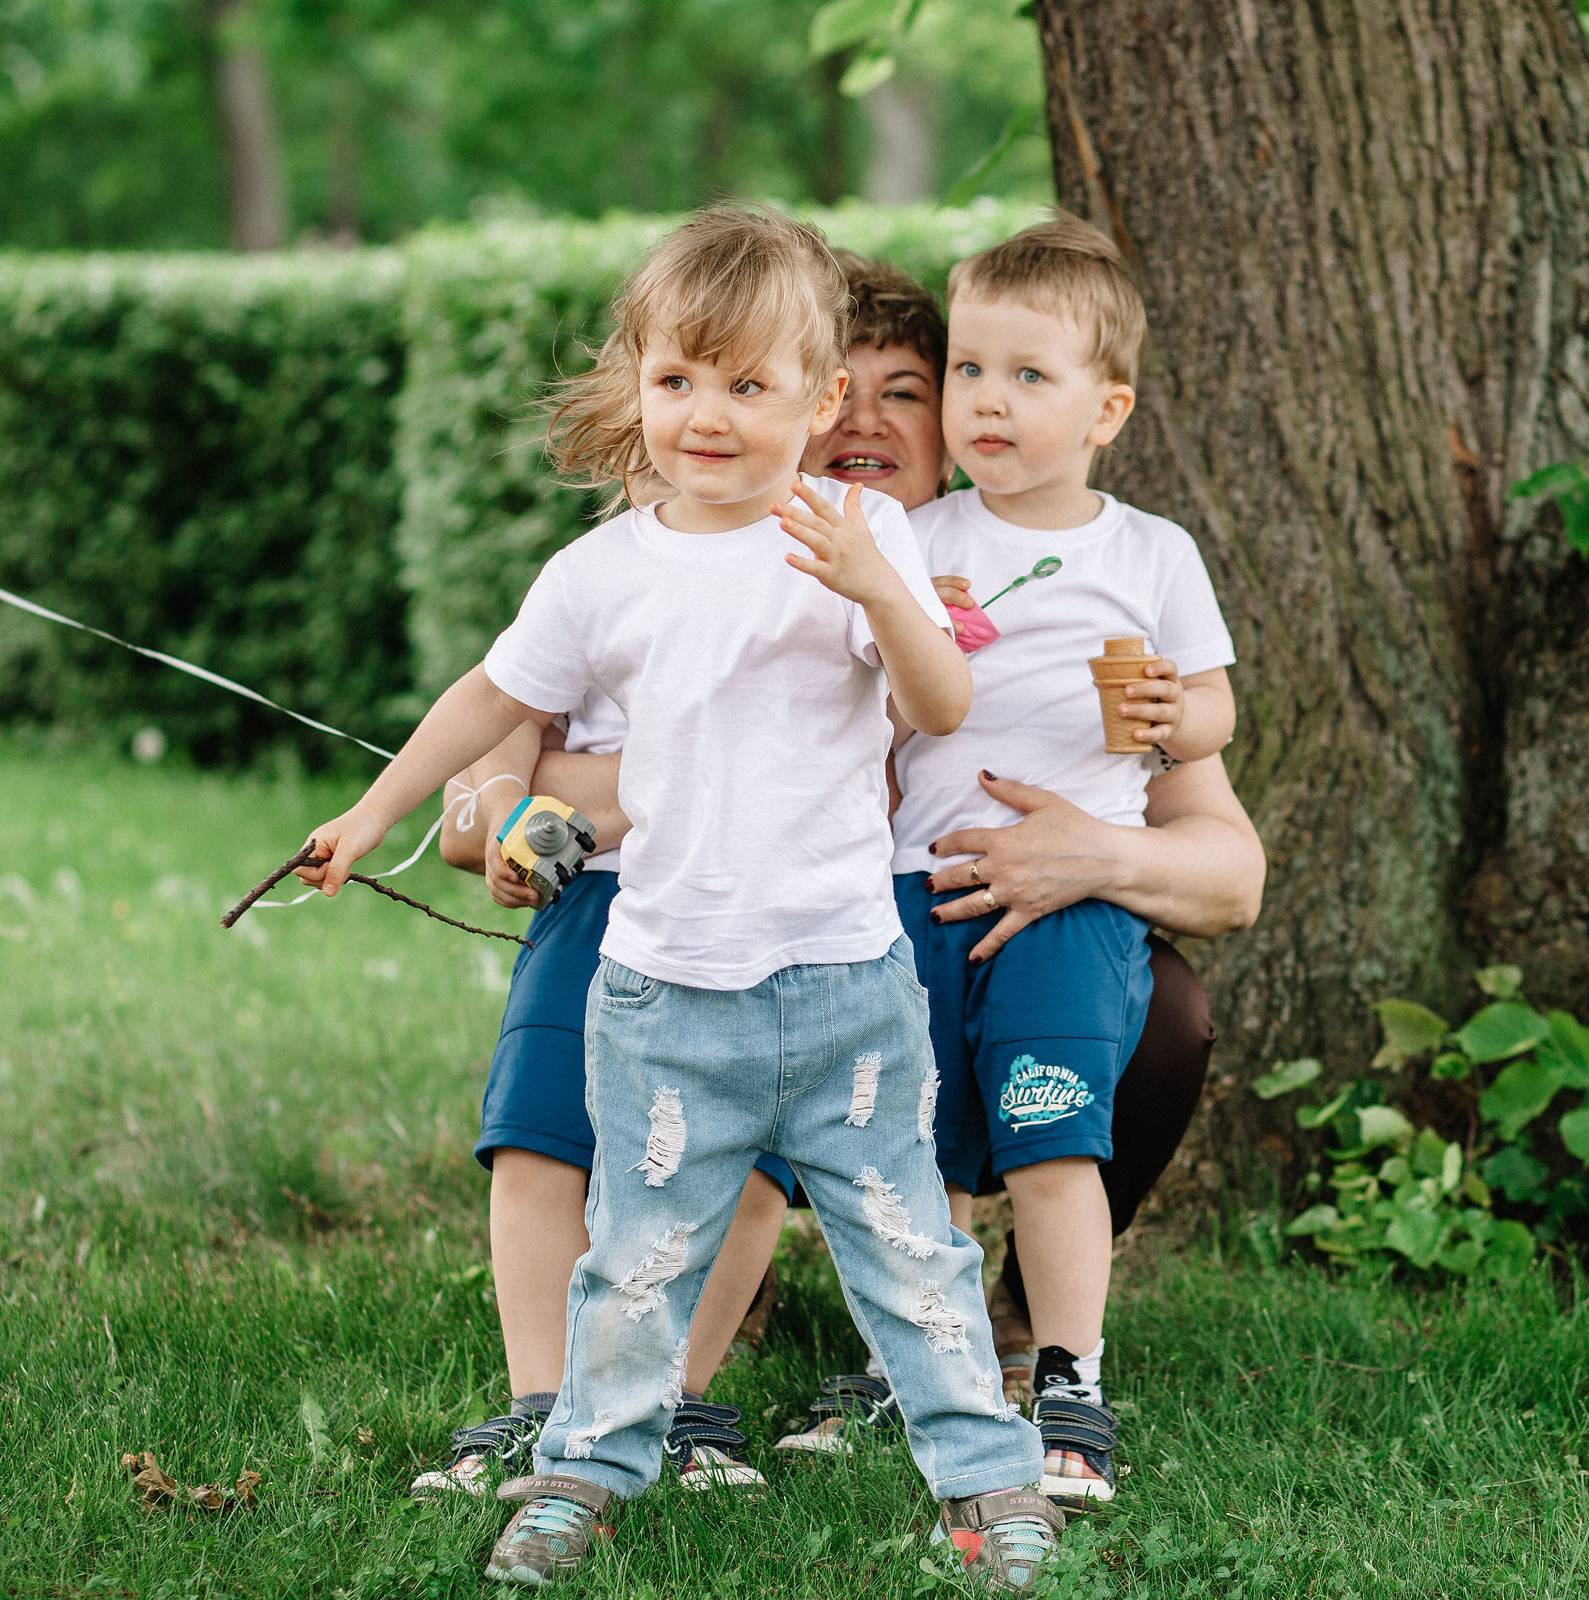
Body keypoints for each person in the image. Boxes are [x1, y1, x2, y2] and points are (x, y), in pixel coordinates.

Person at [292, 206, 1065, 1592]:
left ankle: (993, 1483)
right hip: (658, 993)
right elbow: (490, 698)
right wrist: (369, 815)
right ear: (639, 381)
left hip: (844, 987)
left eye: (750, 386)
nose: (708, 416)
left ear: (820, 399)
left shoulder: (858, 532)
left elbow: (940, 701)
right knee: (635, 1260)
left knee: (910, 1251)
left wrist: (878, 588)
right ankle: (581, 1469)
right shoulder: (599, 576)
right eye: (678, 381)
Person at [415, 251, 956, 1502]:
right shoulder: (619, 563)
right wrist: (511, 806)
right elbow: (500, 738)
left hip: (790, 915)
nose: (863, 426)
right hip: (615, 898)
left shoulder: (870, 566)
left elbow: (875, 745)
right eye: (685, 379)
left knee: (756, 1151)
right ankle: (543, 1400)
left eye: (895, 397)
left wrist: (599, 780)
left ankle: (675, 1399)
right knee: (544, 1126)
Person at [884, 215, 1236, 1510]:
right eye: (970, 369)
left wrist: (1173, 723)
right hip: (916, 889)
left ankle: (1070, 1379)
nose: (988, 400)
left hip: (1074, 904)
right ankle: (925, 1357)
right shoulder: (915, 543)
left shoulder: (1149, 554)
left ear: (1108, 407)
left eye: (1030, 377)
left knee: (1048, 1131)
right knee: (916, 1140)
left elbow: (1212, 708)